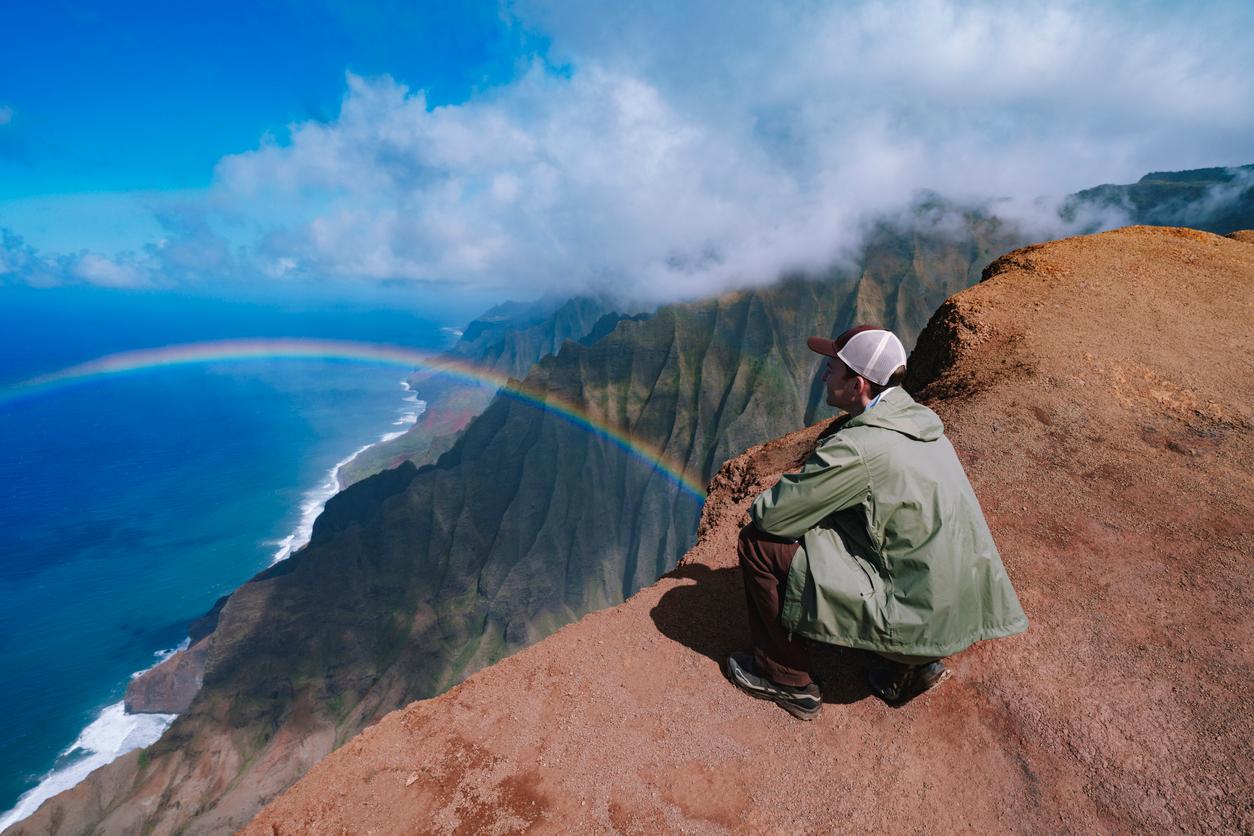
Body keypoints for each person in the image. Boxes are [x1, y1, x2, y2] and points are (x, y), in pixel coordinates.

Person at [725, 326, 1028, 720]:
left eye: (833, 367)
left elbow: (772, 515)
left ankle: (786, 679)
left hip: (918, 624)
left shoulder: (857, 448)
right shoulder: (921, 423)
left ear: (858, 384)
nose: (823, 375)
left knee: (758, 543)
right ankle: (912, 667)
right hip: (960, 614)